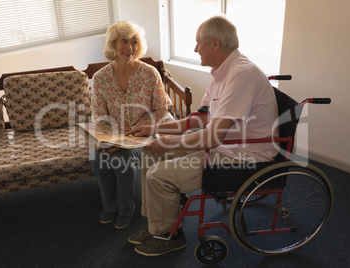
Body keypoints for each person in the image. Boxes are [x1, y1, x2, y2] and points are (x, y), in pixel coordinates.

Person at [126, 15, 279, 256]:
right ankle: (159, 226)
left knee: (158, 175)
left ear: (215, 43)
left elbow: (212, 138)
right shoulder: (220, 73)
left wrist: (169, 144)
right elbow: (199, 120)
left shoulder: (241, 75)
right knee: (150, 154)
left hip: (244, 157)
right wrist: (155, 129)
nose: (195, 48)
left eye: (199, 43)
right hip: (225, 146)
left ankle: (169, 236)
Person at [89, 20, 172, 229]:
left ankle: (126, 208)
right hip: (114, 133)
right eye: (124, 41)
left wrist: (143, 131)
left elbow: (162, 111)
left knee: (122, 157)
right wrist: (116, 134)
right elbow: (99, 116)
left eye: (134, 42)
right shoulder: (100, 79)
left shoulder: (150, 73)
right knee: (97, 155)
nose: (130, 47)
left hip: (145, 132)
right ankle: (110, 206)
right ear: (113, 45)